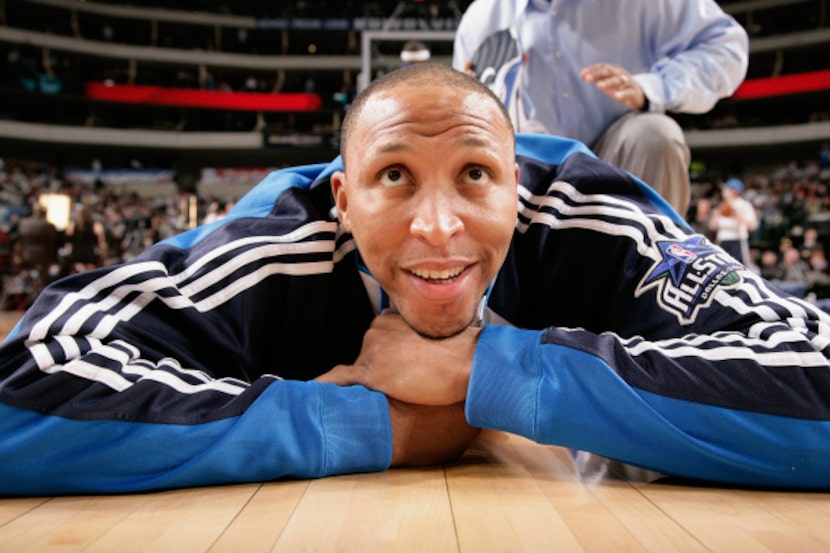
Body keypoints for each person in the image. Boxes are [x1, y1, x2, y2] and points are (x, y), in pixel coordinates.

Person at [0, 64, 828, 496]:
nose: (438, 226)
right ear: (343, 198)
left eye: (475, 174)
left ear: (521, 186)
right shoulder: (276, 240)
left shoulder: (592, 219)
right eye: (394, 177)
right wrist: (374, 428)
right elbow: (23, 387)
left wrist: (492, 374)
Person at [452, 0, 749, 217]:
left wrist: (651, 87)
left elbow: (726, 47)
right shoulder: (482, 16)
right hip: (527, 169)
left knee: (655, 135)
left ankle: (650, 273)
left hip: (617, 156)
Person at [708, 177, 759, 265]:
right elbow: (712, 226)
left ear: (734, 191)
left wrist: (736, 215)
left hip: (737, 240)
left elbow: (753, 225)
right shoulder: (722, 205)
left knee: (739, 266)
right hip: (723, 240)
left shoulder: (744, 205)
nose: (723, 191)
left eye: (726, 189)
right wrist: (718, 214)